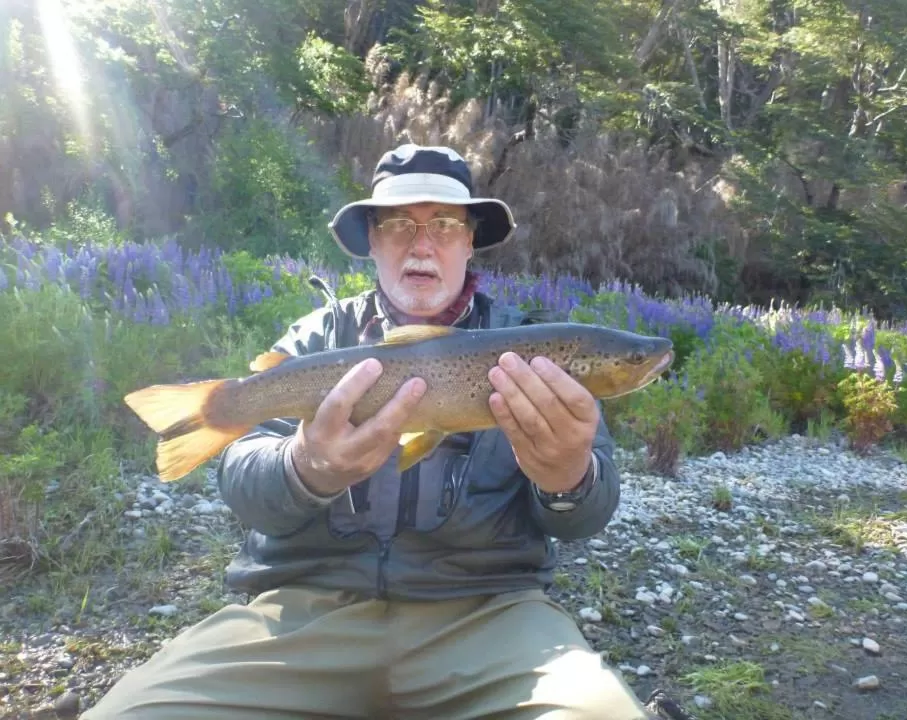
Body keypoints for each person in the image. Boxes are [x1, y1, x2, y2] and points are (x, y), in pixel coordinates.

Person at [81, 144, 694, 720]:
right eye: (400, 224)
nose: (421, 245)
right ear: (372, 241)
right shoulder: (314, 341)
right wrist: (305, 467)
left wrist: (567, 479)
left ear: (471, 242)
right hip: (299, 617)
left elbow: (587, 516)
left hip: (492, 618)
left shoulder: (540, 352)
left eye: (445, 225)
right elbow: (243, 488)